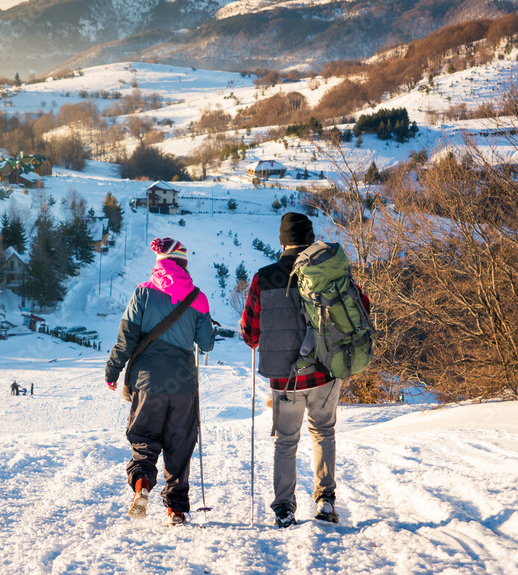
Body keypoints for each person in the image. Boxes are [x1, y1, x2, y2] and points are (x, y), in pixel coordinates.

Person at [241, 212, 368, 528]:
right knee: (323, 433)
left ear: (282, 241)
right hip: (326, 372)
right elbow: (362, 308)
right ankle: (325, 502)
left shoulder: (264, 277)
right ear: (311, 240)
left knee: (286, 442)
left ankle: (284, 508)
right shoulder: (331, 273)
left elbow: (250, 335)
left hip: (285, 379)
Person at [105, 237, 215, 526]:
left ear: (160, 264)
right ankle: (176, 511)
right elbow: (206, 344)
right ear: (183, 264)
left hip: (147, 382)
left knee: (144, 439)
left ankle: (142, 486)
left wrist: (112, 371)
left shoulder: (143, 293)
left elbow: (125, 338)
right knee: (179, 444)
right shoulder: (198, 298)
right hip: (183, 386)